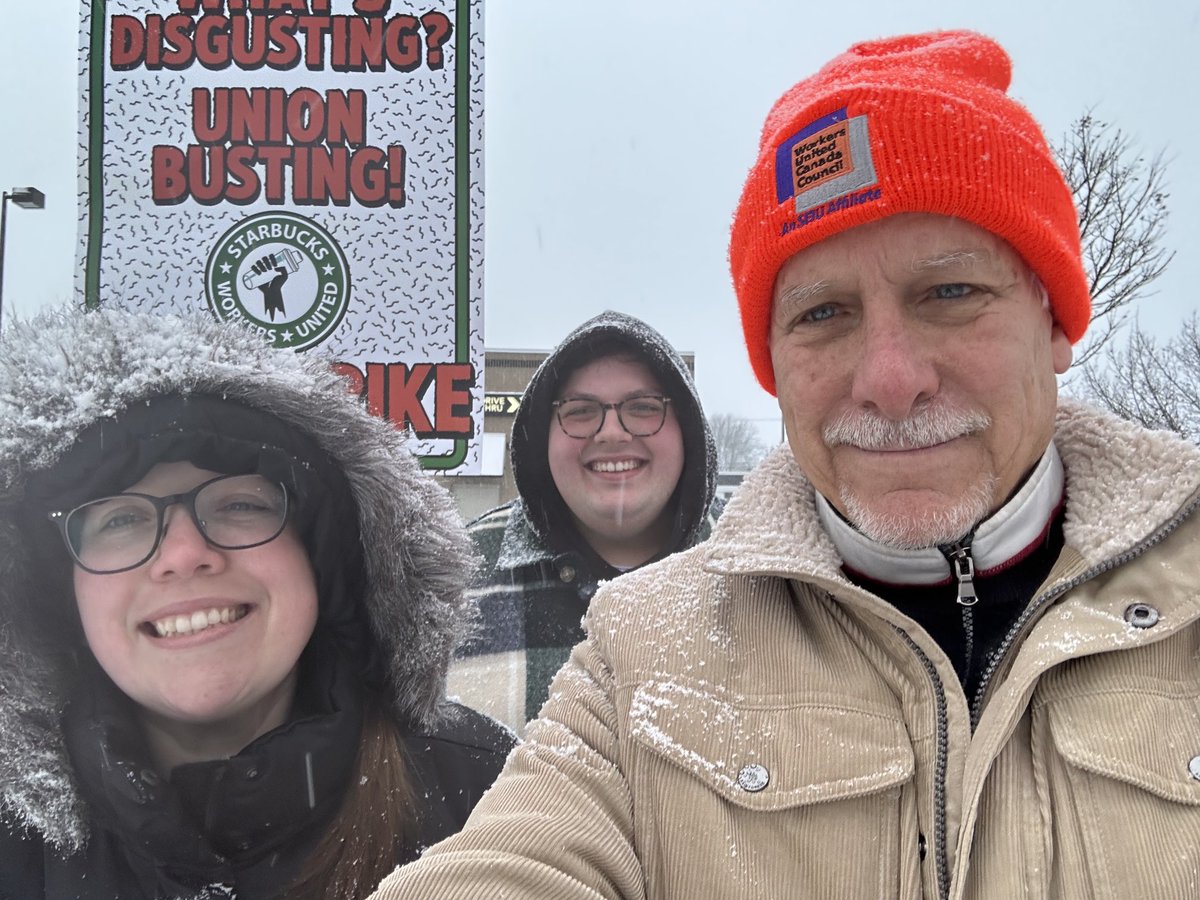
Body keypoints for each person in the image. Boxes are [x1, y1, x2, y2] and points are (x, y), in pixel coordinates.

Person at [368, 29, 1200, 899]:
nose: (889, 381)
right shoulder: (645, 647)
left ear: (1057, 322)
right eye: (824, 313)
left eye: (950, 293)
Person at [0, 305, 515, 899]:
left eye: (240, 504)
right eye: (119, 520)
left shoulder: (492, 797)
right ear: (57, 592)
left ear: (324, 558)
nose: (182, 554)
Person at [448, 310, 717, 733]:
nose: (611, 432)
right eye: (579, 411)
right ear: (542, 436)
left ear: (688, 431)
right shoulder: (451, 577)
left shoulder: (766, 569)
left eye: (644, 407)